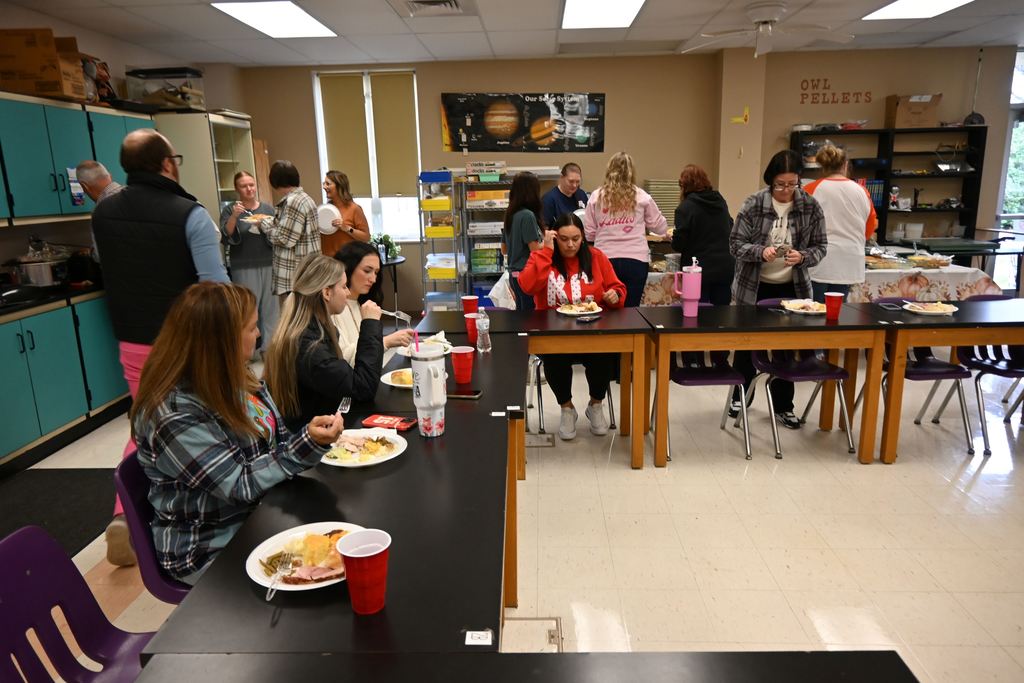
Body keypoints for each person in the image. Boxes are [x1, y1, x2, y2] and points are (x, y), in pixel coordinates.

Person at [130, 282, 343, 583]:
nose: (259, 335)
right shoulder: (173, 415)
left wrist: (308, 440)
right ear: (221, 342)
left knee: (341, 545)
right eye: (252, 328)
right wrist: (304, 446)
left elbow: (277, 438)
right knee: (330, 574)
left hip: (258, 516)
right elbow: (239, 483)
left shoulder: (236, 378)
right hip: (210, 549)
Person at [91, 128, 229, 567]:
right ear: (168, 164)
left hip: (133, 339)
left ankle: (124, 513)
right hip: (185, 341)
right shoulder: (190, 214)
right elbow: (216, 287)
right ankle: (201, 515)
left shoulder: (103, 212)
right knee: (199, 424)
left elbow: (104, 262)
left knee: (145, 423)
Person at [729, 149, 827, 429]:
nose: (786, 190)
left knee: (787, 347)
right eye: (780, 185)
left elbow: (821, 246)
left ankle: (784, 405)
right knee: (746, 345)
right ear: (770, 182)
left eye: (792, 184)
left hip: (793, 290)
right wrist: (762, 252)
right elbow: (735, 245)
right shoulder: (754, 204)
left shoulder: (810, 206)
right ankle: (740, 396)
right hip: (754, 287)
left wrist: (804, 257)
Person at [518, 213, 626, 441]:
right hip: (554, 332)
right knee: (555, 360)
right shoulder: (541, 256)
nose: (570, 245)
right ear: (554, 237)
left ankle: (595, 405)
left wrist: (615, 295)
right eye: (564, 239)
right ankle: (567, 408)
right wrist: (546, 251)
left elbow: (618, 287)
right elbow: (527, 286)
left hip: (593, 329)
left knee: (604, 358)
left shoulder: (596, 257)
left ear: (583, 237)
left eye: (576, 239)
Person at [264, 254, 383, 433]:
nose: (348, 293)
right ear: (327, 293)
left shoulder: (315, 331)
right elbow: (363, 387)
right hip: (312, 440)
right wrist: (371, 325)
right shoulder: (309, 348)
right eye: (343, 287)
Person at [583, 152, 667, 307]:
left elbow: (589, 233)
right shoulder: (642, 196)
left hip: (605, 258)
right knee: (631, 309)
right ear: (631, 172)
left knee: (605, 306)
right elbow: (660, 227)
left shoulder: (596, 197)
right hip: (636, 259)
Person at [805, 144, 877, 302]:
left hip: (819, 260)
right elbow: (870, 227)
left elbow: (800, 226)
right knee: (836, 313)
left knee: (812, 310)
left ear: (822, 166)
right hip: (849, 259)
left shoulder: (811, 188)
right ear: (845, 165)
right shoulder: (861, 191)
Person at [220, 171, 278, 350]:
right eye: (244, 186)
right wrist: (235, 217)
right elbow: (226, 235)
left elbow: (277, 234)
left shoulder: (268, 209)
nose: (249, 189)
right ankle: (248, 351)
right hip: (243, 265)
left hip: (268, 262)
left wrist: (265, 226)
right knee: (247, 309)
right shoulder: (230, 210)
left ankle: (270, 349)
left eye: (251, 184)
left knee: (271, 309)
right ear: (237, 189)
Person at [333, 242, 414, 364]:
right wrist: (386, 342)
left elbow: (366, 355)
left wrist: (384, 342)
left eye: (376, 272)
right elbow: (343, 359)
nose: (373, 279)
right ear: (348, 268)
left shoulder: (362, 304)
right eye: (367, 271)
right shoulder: (334, 308)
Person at [671, 164, 735, 305]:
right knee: (722, 315)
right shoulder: (720, 201)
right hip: (725, 266)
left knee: (697, 315)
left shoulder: (685, 208)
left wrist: (672, 237)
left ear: (684, 186)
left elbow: (679, 244)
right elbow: (730, 225)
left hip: (698, 271)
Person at [261, 160, 321, 305]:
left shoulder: (293, 202)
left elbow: (285, 239)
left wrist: (263, 224)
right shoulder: (306, 198)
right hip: (306, 272)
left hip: (294, 276)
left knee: (294, 321)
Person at [501, 171, 545, 312]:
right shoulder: (527, 216)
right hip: (526, 274)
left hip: (514, 275)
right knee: (530, 316)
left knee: (521, 314)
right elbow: (535, 249)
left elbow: (504, 249)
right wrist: (549, 242)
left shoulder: (510, 214)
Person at [75, 160, 124, 262]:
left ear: (84, 186)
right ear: (110, 176)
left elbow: (100, 255)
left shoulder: (101, 211)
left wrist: (91, 252)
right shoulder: (133, 195)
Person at [321, 170, 371, 256]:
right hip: (327, 262)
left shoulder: (354, 209)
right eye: (324, 183)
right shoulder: (326, 210)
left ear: (340, 186)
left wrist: (347, 228)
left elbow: (366, 237)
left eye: (328, 184)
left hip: (347, 261)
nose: (324, 187)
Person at [541, 162, 588, 228]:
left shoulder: (581, 195)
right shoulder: (548, 200)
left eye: (577, 182)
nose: (574, 185)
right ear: (561, 177)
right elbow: (545, 229)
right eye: (571, 181)